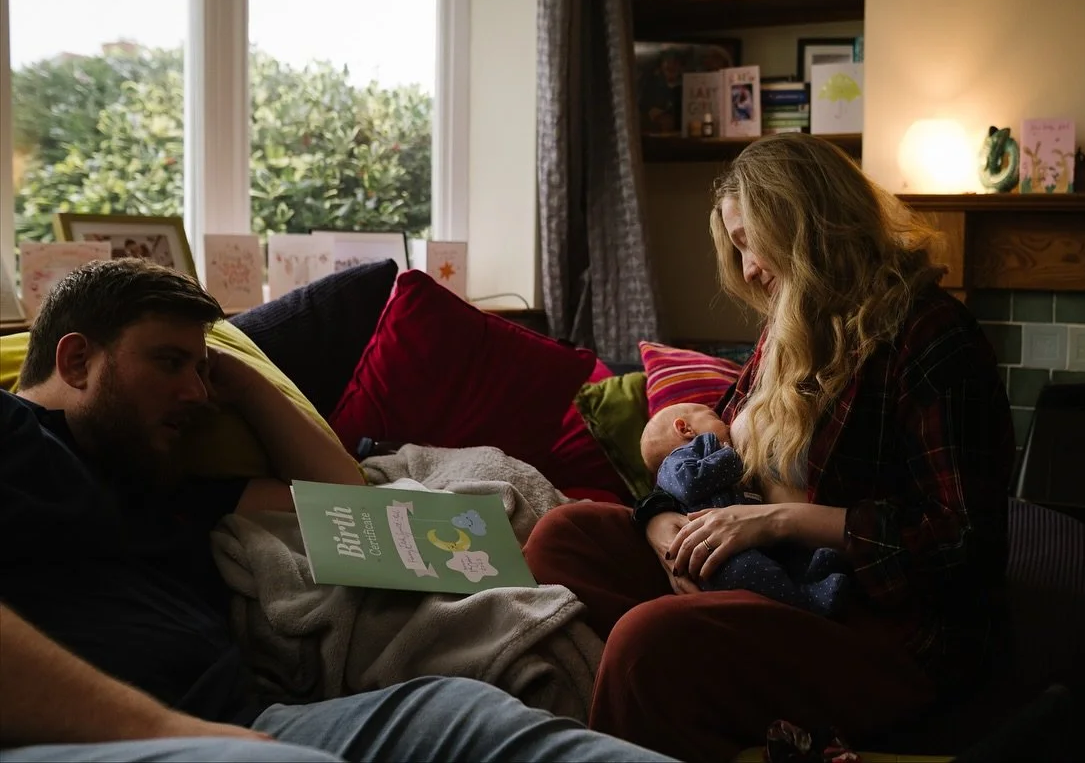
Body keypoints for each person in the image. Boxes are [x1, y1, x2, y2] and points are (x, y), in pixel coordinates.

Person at [0, 259, 675, 763]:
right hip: (102, 735)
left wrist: (248, 379)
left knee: (464, 712)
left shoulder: (166, 488)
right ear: (77, 358)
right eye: (170, 362)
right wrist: (162, 731)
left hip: (255, 718)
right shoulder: (11, 436)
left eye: (202, 371)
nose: (197, 393)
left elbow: (348, 508)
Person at [524, 133, 1016, 762]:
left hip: (864, 622)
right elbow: (703, 463)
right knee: (563, 536)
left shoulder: (932, 337)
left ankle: (662, 683)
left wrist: (778, 520)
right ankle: (657, 703)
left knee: (650, 640)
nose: (749, 270)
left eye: (747, 242)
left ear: (802, 223)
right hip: (757, 579)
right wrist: (666, 528)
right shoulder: (789, 333)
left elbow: (964, 546)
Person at [640, 403, 849, 616]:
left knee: (780, 564)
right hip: (719, 552)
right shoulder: (683, 457)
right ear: (685, 429)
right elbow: (689, 484)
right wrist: (655, 515)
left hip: (756, 538)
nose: (727, 422)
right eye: (716, 417)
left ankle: (815, 575)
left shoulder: (711, 446)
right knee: (758, 575)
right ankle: (808, 601)